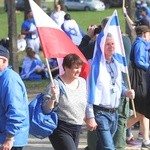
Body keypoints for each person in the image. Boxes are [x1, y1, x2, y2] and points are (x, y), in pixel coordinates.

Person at [85, 33, 135, 150]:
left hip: (114, 112)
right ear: (101, 46)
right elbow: (88, 91)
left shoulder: (117, 63)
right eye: (107, 44)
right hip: (100, 112)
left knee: (102, 146)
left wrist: (126, 92)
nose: (111, 46)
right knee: (109, 147)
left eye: (113, 44)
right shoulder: (93, 64)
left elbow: (119, 85)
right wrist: (90, 116)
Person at [42, 53, 87, 150]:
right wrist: (53, 98)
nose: (78, 70)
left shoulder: (83, 82)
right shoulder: (56, 84)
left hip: (77, 127)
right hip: (61, 128)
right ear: (66, 67)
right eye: (75, 68)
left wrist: (88, 118)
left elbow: (86, 103)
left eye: (79, 67)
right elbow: (45, 109)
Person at [0, 45, 29, 150]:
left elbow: (16, 111)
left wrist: (9, 137)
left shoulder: (9, 80)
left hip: (8, 141)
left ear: (3, 61)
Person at [127, 25, 150, 149]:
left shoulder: (141, 43)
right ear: (145, 33)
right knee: (141, 111)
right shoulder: (140, 44)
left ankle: (146, 140)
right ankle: (119, 129)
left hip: (142, 79)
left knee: (144, 111)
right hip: (139, 79)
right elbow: (139, 61)